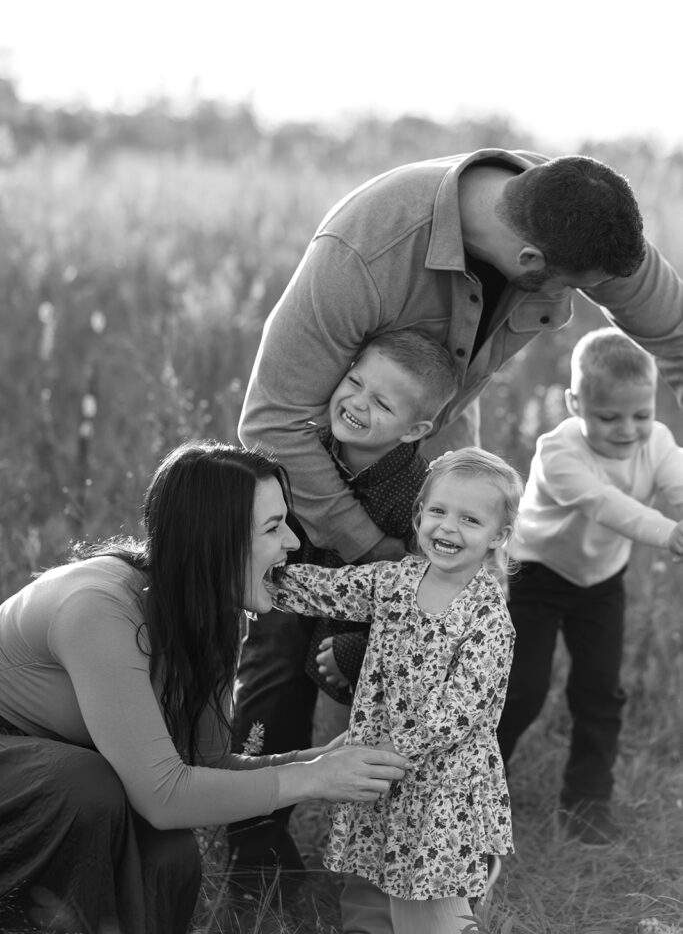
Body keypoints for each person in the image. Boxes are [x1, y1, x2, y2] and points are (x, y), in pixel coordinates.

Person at [0, 441, 409, 934]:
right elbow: (163, 796)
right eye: (273, 528)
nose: (293, 543)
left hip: (62, 770)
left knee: (169, 854)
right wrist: (315, 779)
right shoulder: (96, 608)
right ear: (215, 540)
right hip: (24, 761)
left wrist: (325, 760)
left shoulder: (214, 610)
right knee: (88, 787)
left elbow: (204, 767)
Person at [239, 150, 683, 569]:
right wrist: (371, 548)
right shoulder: (361, 255)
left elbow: (677, 336)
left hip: (443, 447)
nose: (575, 293)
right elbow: (273, 423)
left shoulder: (586, 218)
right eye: (570, 286)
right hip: (320, 479)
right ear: (529, 259)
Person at [229, 331, 457, 881]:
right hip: (285, 590)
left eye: (382, 403)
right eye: (354, 382)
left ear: (416, 429)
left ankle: (403, 855)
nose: (357, 403)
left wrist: (356, 650)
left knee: (396, 722)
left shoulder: (420, 496)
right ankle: (255, 850)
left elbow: (426, 601)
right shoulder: (298, 447)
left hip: (363, 627)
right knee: (269, 692)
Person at [267, 448, 524, 934]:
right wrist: (268, 577)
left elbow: (461, 710)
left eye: (470, 519)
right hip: (380, 765)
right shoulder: (397, 579)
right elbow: (331, 589)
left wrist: (395, 748)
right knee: (368, 870)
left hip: (441, 782)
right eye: (438, 511)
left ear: (498, 536)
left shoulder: (488, 617)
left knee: (428, 893)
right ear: (419, 515)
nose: (448, 527)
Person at [496, 328, 683, 846]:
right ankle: (478, 785)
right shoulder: (557, 453)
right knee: (523, 689)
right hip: (537, 575)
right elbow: (607, 505)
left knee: (600, 691)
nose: (628, 430)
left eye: (640, 415)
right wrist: (669, 533)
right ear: (575, 403)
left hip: (601, 582)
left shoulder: (656, 442)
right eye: (608, 417)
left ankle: (587, 801)